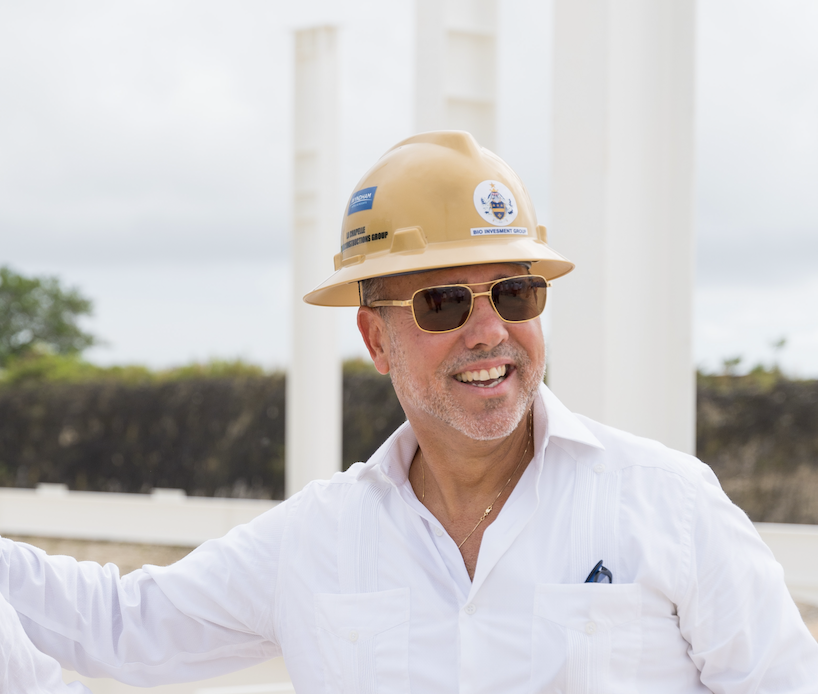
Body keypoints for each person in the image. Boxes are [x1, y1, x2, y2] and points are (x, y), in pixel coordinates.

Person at [0, 130, 815, 692]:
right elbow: (120, 625)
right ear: (375, 338)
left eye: (515, 292)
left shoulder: (669, 505)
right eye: (444, 302)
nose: (490, 331)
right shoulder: (318, 541)